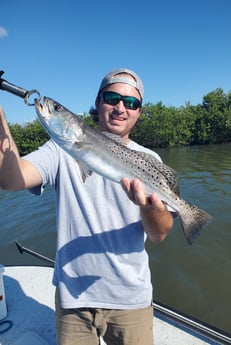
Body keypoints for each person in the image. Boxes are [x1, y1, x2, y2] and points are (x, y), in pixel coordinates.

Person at [0, 68, 174, 345]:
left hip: (131, 298)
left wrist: (147, 207)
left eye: (131, 103)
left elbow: (160, 233)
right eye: (112, 98)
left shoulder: (150, 160)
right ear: (98, 102)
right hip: (74, 300)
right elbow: (10, 179)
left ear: (139, 112)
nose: (120, 107)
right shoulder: (60, 150)